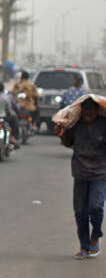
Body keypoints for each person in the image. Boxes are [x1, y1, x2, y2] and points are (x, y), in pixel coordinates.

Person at [56, 96, 106, 258]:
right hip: (80, 172)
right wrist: (61, 135)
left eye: (90, 112)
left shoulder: (103, 124)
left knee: (96, 207)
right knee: (80, 211)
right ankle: (84, 247)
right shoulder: (76, 124)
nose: (87, 115)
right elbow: (68, 143)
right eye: (85, 112)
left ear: (97, 111)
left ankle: (95, 235)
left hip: (100, 173)